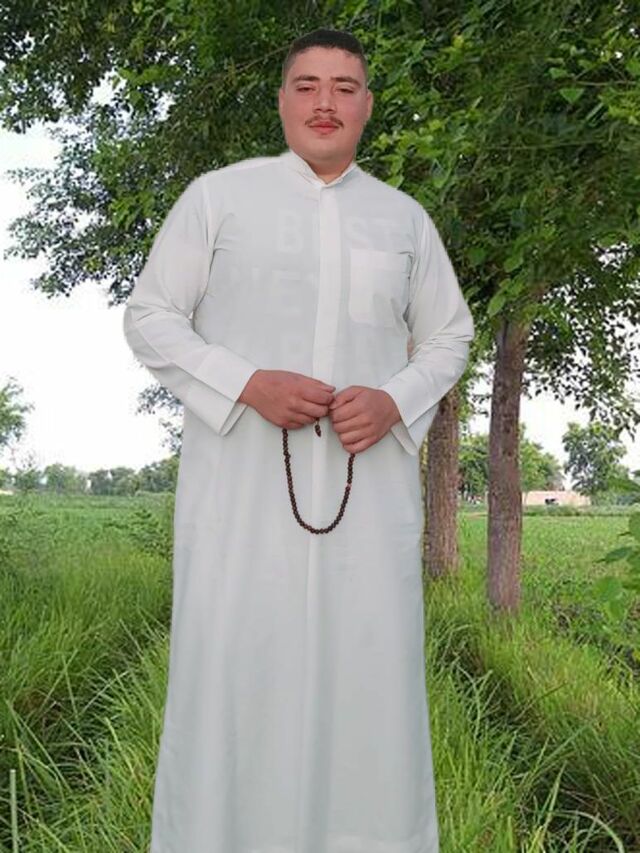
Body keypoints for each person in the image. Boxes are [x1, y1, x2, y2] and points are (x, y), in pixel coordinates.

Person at [123, 27, 474, 853]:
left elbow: (449, 334)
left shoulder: (404, 219)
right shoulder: (218, 198)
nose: (325, 103)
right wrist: (247, 383)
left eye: (344, 88)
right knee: (236, 684)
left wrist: (393, 400)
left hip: (366, 510)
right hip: (240, 507)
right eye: (307, 85)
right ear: (281, 99)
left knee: (366, 692)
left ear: (367, 106)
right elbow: (150, 316)